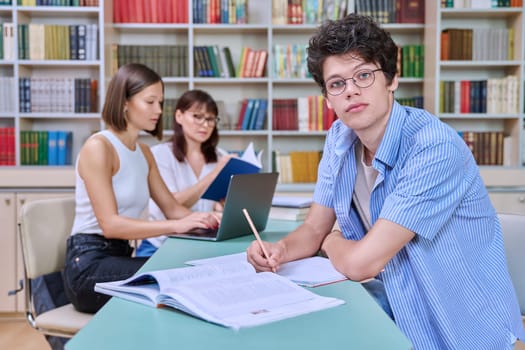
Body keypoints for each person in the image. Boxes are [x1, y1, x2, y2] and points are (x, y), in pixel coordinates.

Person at [246, 14, 525, 350]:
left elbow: (362, 263)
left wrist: (330, 241)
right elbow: (313, 229)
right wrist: (280, 251)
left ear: (391, 79)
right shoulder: (339, 139)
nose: (351, 91)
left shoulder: (433, 148)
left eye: (363, 75)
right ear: (327, 99)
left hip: (461, 327)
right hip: (398, 306)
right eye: (337, 84)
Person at [63, 63, 219, 314]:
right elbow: (111, 225)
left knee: (190, 272)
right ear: (124, 102)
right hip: (88, 266)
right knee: (180, 280)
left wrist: (210, 219)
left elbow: (172, 209)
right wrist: (176, 226)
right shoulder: (99, 147)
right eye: (150, 102)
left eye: (161, 102)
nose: (159, 110)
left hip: (120, 258)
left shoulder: (144, 153)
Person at [135, 89, 233, 257]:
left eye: (210, 119)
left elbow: (219, 207)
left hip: (204, 245)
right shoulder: (160, 155)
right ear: (179, 116)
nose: (205, 124)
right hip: (161, 245)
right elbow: (173, 204)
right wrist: (215, 174)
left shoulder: (221, 156)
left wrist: (224, 205)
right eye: (197, 116)